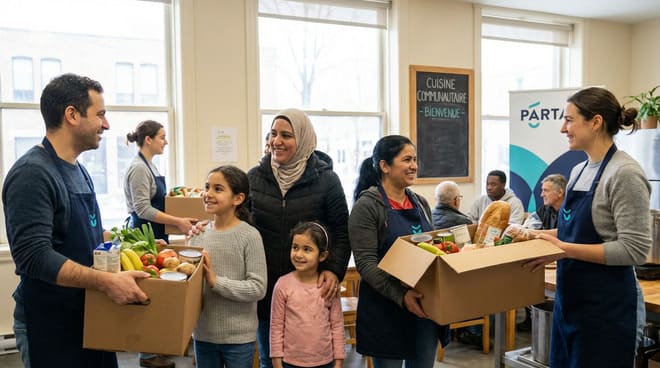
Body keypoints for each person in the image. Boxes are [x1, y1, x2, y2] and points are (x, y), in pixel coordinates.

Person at [2, 73, 149, 368]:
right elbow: (34, 256)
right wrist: (107, 282)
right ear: (71, 115)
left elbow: (88, 234)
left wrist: (137, 245)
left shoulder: (78, 169)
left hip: (88, 314)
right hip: (50, 323)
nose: (106, 125)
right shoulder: (32, 174)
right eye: (101, 115)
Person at [524, 87, 651, 367]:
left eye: (569, 120)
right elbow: (574, 232)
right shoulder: (579, 170)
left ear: (595, 122)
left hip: (607, 309)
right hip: (571, 303)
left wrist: (564, 250)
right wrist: (538, 236)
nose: (562, 128)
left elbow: (635, 250)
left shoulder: (624, 173)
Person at [247, 108, 350, 368]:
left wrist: (335, 270)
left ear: (303, 139)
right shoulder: (254, 178)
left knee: (311, 358)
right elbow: (240, 224)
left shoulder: (327, 181)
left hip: (311, 293)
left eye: (286, 135)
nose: (277, 141)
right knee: (272, 358)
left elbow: (340, 230)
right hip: (267, 290)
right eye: (272, 134)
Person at [349, 135, 449, 367]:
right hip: (386, 308)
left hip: (424, 306)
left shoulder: (420, 203)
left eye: (415, 159)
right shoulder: (368, 206)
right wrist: (402, 295)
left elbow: (431, 250)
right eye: (406, 159)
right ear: (385, 166)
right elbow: (366, 264)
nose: (414, 165)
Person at [124, 120, 198, 368]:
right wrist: (179, 220)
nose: (165, 142)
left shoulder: (151, 167)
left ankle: (156, 348)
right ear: (148, 140)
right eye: (162, 137)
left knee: (159, 294)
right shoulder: (138, 169)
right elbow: (143, 208)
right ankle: (147, 355)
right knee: (148, 296)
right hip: (144, 234)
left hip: (157, 234)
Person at [188, 165, 267, 368]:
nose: (208, 194)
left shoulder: (250, 236)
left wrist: (216, 282)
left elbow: (258, 288)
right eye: (207, 187)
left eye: (218, 189)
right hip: (203, 334)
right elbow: (189, 284)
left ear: (238, 199)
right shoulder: (198, 234)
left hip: (239, 339)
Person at [270, 221, 345, 368]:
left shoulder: (328, 287)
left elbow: (337, 326)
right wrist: (277, 362)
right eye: (295, 247)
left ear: (322, 255)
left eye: (307, 249)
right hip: (290, 363)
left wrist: (338, 362)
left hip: (324, 362)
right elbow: (276, 327)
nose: (298, 254)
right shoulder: (282, 285)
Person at [516, 173, 567, 332]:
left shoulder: (571, 211)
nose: (541, 194)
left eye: (545, 190)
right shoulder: (544, 210)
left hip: (565, 260)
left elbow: (565, 232)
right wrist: (524, 231)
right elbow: (529, 226)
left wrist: (535, 234)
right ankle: (532, 319)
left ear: (560, 193)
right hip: (549, 261)